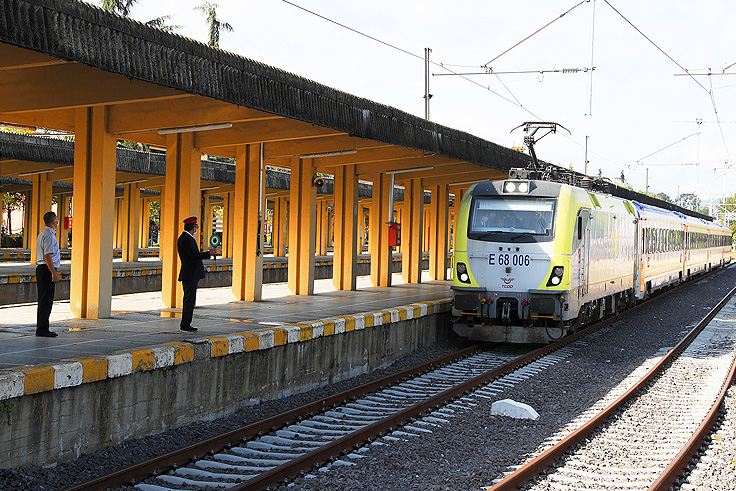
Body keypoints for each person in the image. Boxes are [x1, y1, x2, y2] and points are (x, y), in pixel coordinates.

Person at [177, 216, 219, 332]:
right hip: (190, 274)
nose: (196, 230)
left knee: (190, 299)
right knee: (189, 299)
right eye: (196, 227)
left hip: (190, 274)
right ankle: (185, 323)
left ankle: (186, 322)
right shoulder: (186, 239)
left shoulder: (186, 238)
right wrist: (208, 253)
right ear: (193, 228)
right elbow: (193, 255)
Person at [36, 211, 60, 337]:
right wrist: (53, 272)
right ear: (53, 221)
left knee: (44, 300)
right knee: (46, 300)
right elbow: (47, 255)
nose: (57, 222)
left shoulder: (43, 234)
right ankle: (42, 329)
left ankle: (42, 327)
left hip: (43, 268)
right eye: (56, 219)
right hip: (46, 269)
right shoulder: (49, 235)